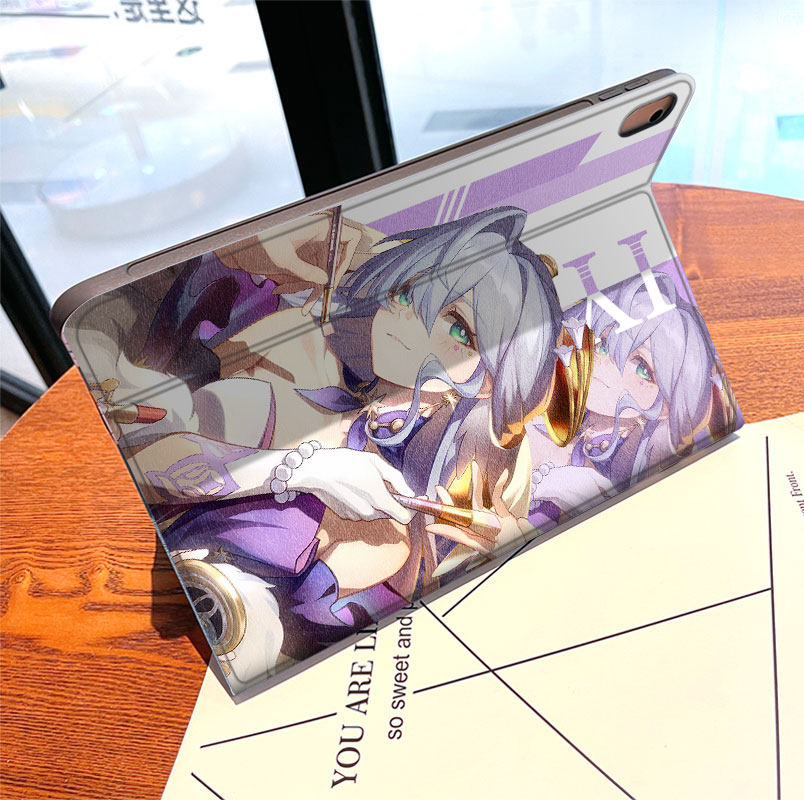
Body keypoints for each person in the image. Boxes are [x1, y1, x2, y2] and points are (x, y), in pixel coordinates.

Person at [85, 206, 589, 681]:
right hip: (165, 620)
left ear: (490, 380)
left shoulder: (421, 500)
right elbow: (151, 459)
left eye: (457, 327)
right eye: (408, 292)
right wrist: (304, 471)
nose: (408, 317)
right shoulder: (293, 405)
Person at [529, 271, 732, 522]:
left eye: (642, 369)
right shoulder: (551, 412)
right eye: (604, 345)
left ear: (666, 405)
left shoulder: (634, 460)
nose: (609, 365)